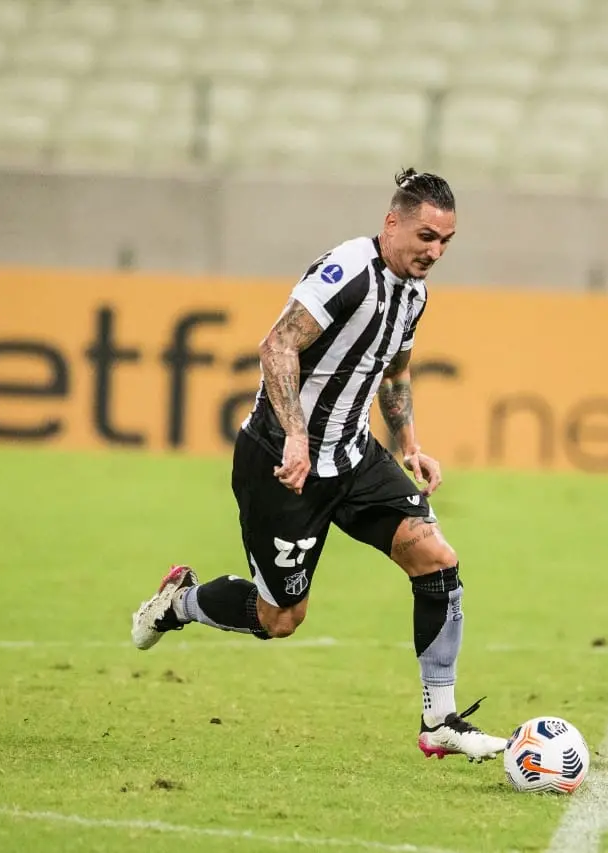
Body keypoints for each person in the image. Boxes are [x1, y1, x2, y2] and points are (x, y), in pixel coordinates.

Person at [129, 168, 506, 762]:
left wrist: (409, 445)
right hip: (284, 463)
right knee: (280, 618)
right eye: (426, 237)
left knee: (436, 558)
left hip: (354, 457)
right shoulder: (349, 269)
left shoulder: (414, 292)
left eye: (445, 242)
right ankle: (181, 602)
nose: (434, 252)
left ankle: (441, 721)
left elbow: (396, 372)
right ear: (392, 222)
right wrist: (298, 440)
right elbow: (276, 344)